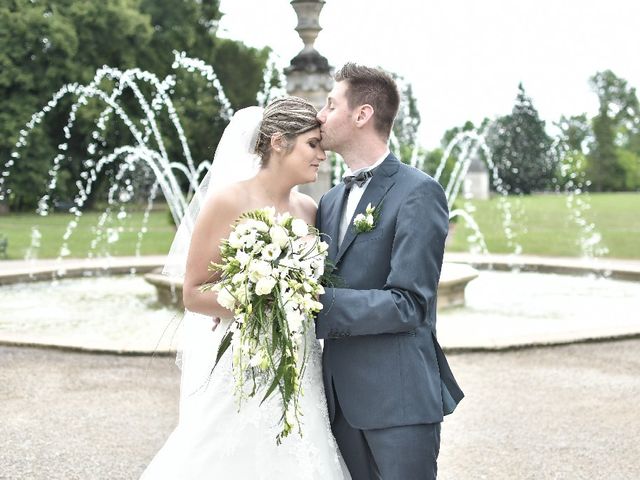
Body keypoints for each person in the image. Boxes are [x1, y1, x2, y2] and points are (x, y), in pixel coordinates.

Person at [141, 97, 350, 479]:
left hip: (301, 361)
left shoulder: (309, 210)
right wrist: (257, 299)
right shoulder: (227, 201)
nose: (322, 156)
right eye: (312, 144)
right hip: (246, 361)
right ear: (278, 142)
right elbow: (193, 292)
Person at [314, 63, 464, 480]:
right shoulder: (327, 202)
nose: (320, 116)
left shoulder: (418, 192)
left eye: (330, 104)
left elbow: (409, 303)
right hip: (338, 404)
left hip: (397, 401)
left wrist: (311, 305)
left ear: (361, 114)